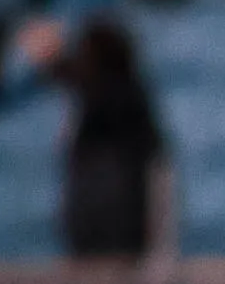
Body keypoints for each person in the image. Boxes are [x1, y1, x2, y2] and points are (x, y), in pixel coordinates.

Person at [52, 16, 165, 261]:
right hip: (91, 224)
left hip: (120, 224)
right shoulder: (93, 101)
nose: (81, 61)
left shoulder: (122, 98)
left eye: (85, 54)